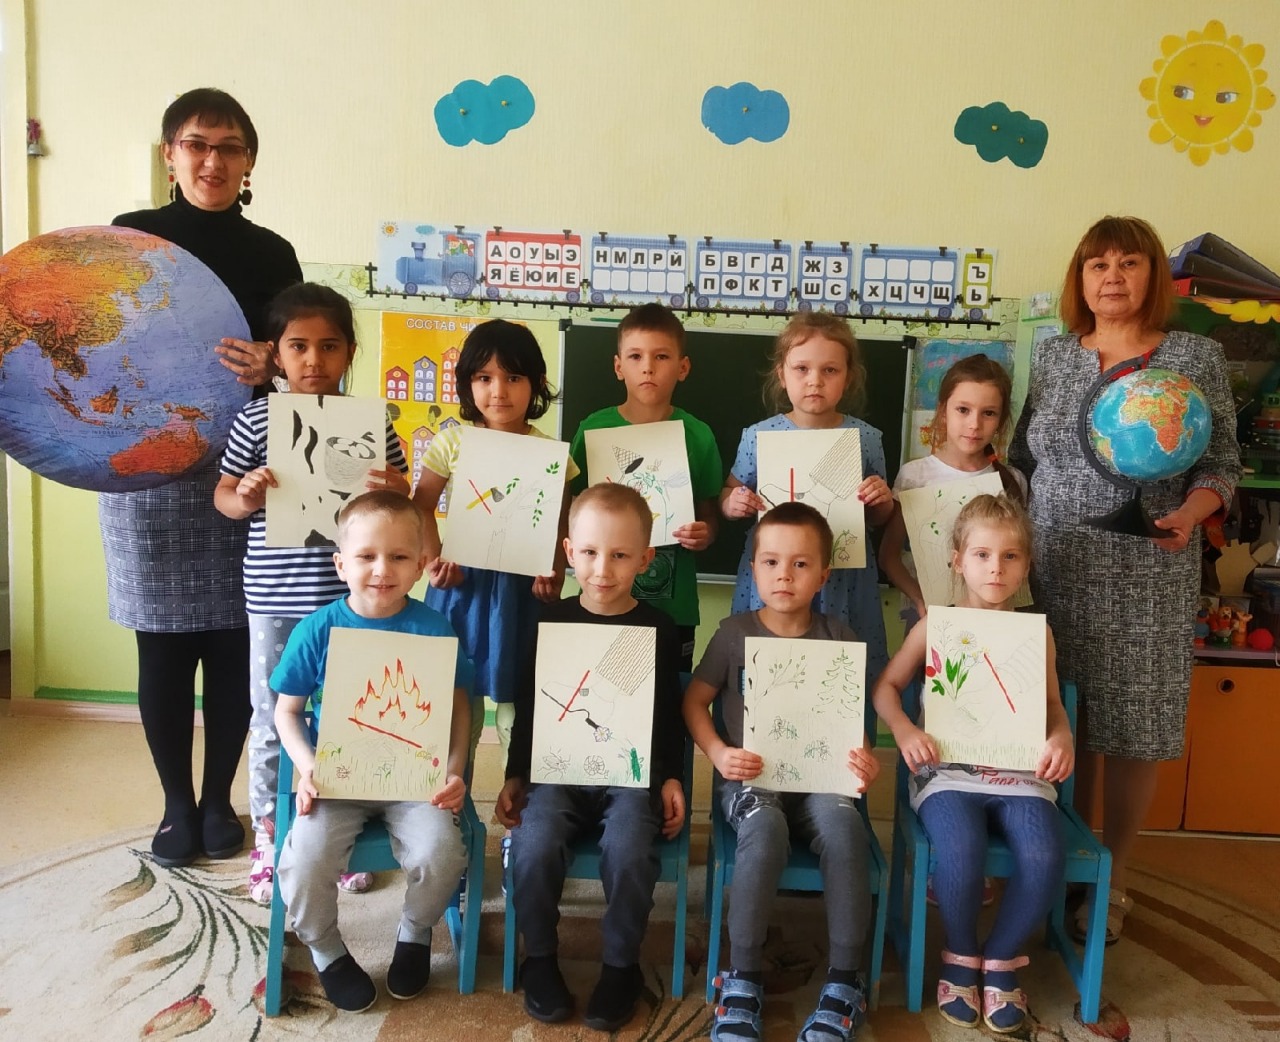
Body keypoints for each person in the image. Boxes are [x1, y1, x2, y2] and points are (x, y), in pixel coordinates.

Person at [1008, 215, 1240, 944]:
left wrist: (1192, 513)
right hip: (1055, 563)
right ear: (1079, 279)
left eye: (1129, 262)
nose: (1112, 276)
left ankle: (1114, 876)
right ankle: (1063, 863)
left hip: (1151, 565)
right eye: (1097, 264)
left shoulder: (1195, 356)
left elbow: (1221, 465)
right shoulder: (1052, 356)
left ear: (1153, 276)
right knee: (1060, 716)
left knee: (1137, 729)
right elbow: (1021, 458)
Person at [100, 87, 302, 868]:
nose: (212, 160)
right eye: (197, 144)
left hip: (245, 463)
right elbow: (103, 351)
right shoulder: (130, 235)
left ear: (249, 162)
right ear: (170, 154)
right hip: (149, 464)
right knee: (162, 645)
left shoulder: (274, 253)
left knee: (232, 640)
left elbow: (304, 364)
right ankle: (175, 806)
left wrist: (272, 363)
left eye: (229, 147)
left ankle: (219, 800)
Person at [215, 283, 410, 903]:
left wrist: (395, 487)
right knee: (274, 719)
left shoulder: (372, 423)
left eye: (329, 346)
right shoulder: (257, 420)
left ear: (349, 352)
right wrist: (246, 494)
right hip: (276, 597)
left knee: (353, 718)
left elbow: (400, 504)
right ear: (275, 353)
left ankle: (337, 842)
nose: (314, 359)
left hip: (354, 600)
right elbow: (224, 498)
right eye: (298, 346)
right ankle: (270, 842)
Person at [872, 494, 1073, 1033]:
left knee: (1044, 853)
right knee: (960, 849)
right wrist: (905, 729)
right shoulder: (935, 626)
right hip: (948, 772)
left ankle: (1002, 958)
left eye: (1010, 556)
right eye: (982, 555)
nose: (995, 568)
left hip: (1019, 772)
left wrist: (1062, 737)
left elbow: (1051, 705)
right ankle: (960, 954)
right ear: (957, 560)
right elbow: (886, 688)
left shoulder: (1037, 634)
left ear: (1026, 566)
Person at [684, 501, 880, 1042]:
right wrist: (718, 753)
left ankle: (846, 978)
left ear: (824, 575)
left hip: (820, 778)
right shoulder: (733, 633)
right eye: (770, 562)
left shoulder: (839, 637)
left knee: (845, 828)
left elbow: (850, 719)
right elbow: (694, 702)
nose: (784, 576)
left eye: (800, 564)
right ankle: (743, 974)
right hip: (750, 779)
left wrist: (865, 758)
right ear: (752, 568)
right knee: (765, 827)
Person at [273, 491, 472, 1013]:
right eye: (366, 556)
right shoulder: (317, 630)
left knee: (441, 849)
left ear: (421, 564)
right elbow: (286, 713)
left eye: (399, 556)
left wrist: (454, 770)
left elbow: (459, 708)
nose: (382, 570)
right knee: (306, 856)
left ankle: (415, 931)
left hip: (416, 780)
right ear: (341, 564)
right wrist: (309, 768)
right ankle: (326, 948)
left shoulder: (434, 628)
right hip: (337, 780)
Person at [497, 483, 686, 1031]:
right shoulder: (547, 622)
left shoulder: (657, 627)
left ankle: (621, 966)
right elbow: (531, 707)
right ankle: (539, 957)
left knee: (630, 847)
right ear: (568, 551)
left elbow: (667, 716)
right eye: (589, 552)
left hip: (628, 776)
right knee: (532, 843)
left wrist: (671, 777)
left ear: (645, 559)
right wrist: (515, 773)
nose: (603, 569)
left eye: (621, 555)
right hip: (556, 772)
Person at [412, 319, 577, 769]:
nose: (498, 391)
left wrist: (555, 574)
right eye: (484, 378)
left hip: (522, 591)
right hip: (460, 585)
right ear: (468, 383)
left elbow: (561, 524)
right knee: (455, 699)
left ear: (536, 383)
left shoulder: (552, 453)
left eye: (513, 377)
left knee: (516, 705)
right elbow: (421, 506)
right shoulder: (451, 442)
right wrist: (433, 561)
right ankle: (451, 796)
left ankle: (516, 796)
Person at [719, 313, 893, 722]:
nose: (815, 380)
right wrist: (734, 503)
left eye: (829, 370)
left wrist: (880, 499)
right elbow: (729, 492)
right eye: (802, 369)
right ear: (782, 374)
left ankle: (843, 739)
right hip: (776, 572)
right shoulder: (759, 436)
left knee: (839, 666)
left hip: (842, 578)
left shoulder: (866, 438)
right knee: (771, 661)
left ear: (848, 377)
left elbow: (879, 516)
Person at [568, 303, 722, 672]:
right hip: (601, 596)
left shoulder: (698, 436)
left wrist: (705, 533)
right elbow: (570, 509)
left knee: (669, 694)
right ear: (618, 366)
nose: (648, 367)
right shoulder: (593, 430)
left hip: (674, 607)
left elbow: (710, 515)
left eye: (661, 356)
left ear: (682, 367)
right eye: (635, 356)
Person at [880, 353, 1027, 622]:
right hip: (928, 616)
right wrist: (919, 599)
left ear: (1001, 420)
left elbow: (1020, 556)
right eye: (963, 410)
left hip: (995, 619)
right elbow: (889, 557)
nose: (974, 424)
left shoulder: (1011, 480)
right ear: (943, 411)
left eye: (988, 413)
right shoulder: (915, 476)